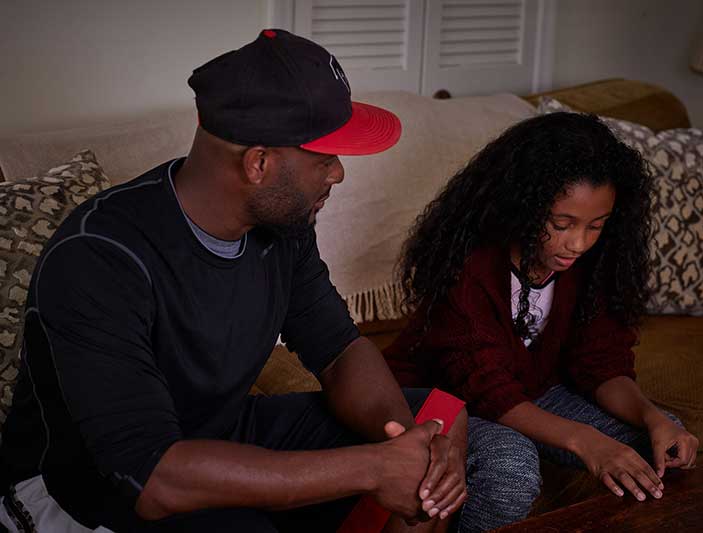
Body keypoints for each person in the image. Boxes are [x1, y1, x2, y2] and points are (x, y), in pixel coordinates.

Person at [0, 30, 472, 533]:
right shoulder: (97, 257)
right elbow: (151, 478)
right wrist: (374, 468)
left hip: (216, 436)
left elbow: (338, 350)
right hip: (84, 488)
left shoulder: (285, 226)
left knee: (440, 419)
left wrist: (403, 443)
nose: (337, 174)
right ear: (259, 163)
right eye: (324, 158)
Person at [384, 112, 701, 527]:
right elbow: (488, 391)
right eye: (562, 224)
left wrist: (653, 416)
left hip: (533, 392)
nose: (579, 243)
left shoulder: (594, 261)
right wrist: (586, 441)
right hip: (447, 399)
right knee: (511, 468)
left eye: (596, 226)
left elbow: (601, 364)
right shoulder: (469, 264)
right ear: (525, 206)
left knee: (664, 444)